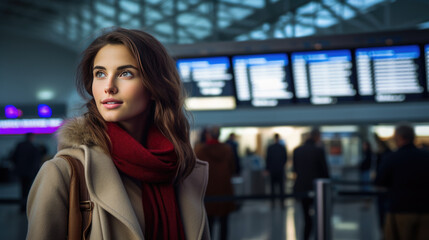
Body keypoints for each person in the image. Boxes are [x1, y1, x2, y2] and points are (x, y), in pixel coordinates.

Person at [27, 28, 210, 240]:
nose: (109, 87)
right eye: (100, 74)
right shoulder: (62, 173)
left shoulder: (180, 170)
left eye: (125, 73)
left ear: (155, 86)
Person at [375, 124, 429, 240]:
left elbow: (380, 181)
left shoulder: (392, 158)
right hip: (425, 210)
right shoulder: (426, 157)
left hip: (400, 209)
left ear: (399, 137)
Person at [194, 126, 236, 240]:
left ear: (208, 135)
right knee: (224, 222)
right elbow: (233, 168)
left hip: (208, 191)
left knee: (209, 223)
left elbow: (195, 171)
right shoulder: (227, 149)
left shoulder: (200, 150)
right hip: (224, 190)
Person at [293, 128, 329, 240]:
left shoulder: (297, 151)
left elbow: (295, 170)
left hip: (302, 188)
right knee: (319, 214)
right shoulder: (318, 151)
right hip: (316, 189)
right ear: (317, 137)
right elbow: (325, 172)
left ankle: (306, 236)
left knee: (306, 216)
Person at [12, 132, 41, 212]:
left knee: (22, 189)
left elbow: (13, 157)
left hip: (21, 172)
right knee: (28, 190)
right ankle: (27, 207)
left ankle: (22, 207)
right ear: (31, 137)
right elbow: (36, 161)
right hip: (30, 172)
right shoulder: (33, 147)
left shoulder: (19, 145)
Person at [265, 133, 287, 209]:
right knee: (281, 188)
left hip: (273, 170)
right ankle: (281, 203)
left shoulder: (270, 148)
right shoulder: (282, 147)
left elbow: (268, 159)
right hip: (280, 170)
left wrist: (268, 169)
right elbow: (285, 159)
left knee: (273, 188)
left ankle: (273, 203)